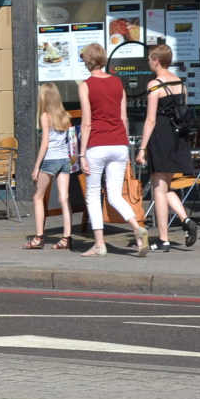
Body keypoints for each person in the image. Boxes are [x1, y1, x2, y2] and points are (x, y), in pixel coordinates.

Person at [76, 43, 149, 258]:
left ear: (88, 61)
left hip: (97, 144)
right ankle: (137, 227)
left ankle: (100, 244)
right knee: (115, 195)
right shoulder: (118, 83)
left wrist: (81, 154)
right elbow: (124, 117)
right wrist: (125, 145)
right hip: (119, 143)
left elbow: (87, 122)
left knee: (92, 195)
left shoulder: (86, 85)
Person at [136, 44, 200, 252]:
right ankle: (185, 220)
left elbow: (150, 120)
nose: (148, 62)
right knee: (167, 187)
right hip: (178, 138)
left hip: (161, 137)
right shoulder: (180, 84)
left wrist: (142, 148)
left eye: (149, 59)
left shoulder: (154, 85)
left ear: (156, 61)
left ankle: (163, 239)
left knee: (158, 189)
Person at [25, 83, 74, 250]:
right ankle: (67, 237)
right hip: (65, 159)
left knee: (38, 197)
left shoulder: (45, 116)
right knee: (64, 197)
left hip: (51, 159)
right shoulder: (66, 116)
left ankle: (38, 237)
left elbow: (45, 143)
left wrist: (36, 166)